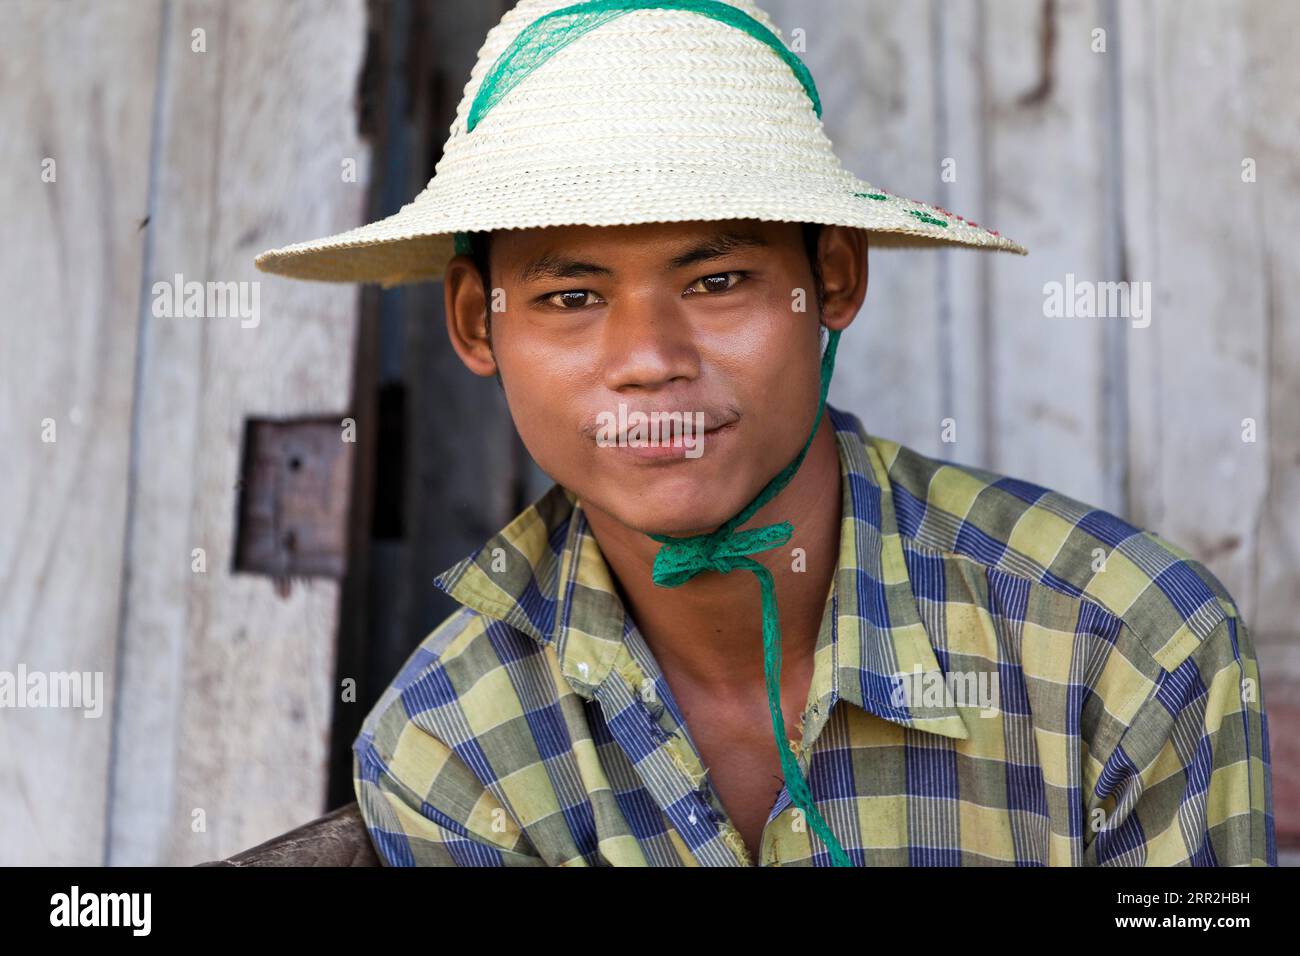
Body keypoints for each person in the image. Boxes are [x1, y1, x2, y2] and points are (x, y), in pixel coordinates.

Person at [255, 0, 1274, 866]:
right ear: (479, 323)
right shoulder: (452, 743)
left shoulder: (1126, 645)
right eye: (570, 294)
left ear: (831, 280)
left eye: (717, 281)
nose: (648, 355)